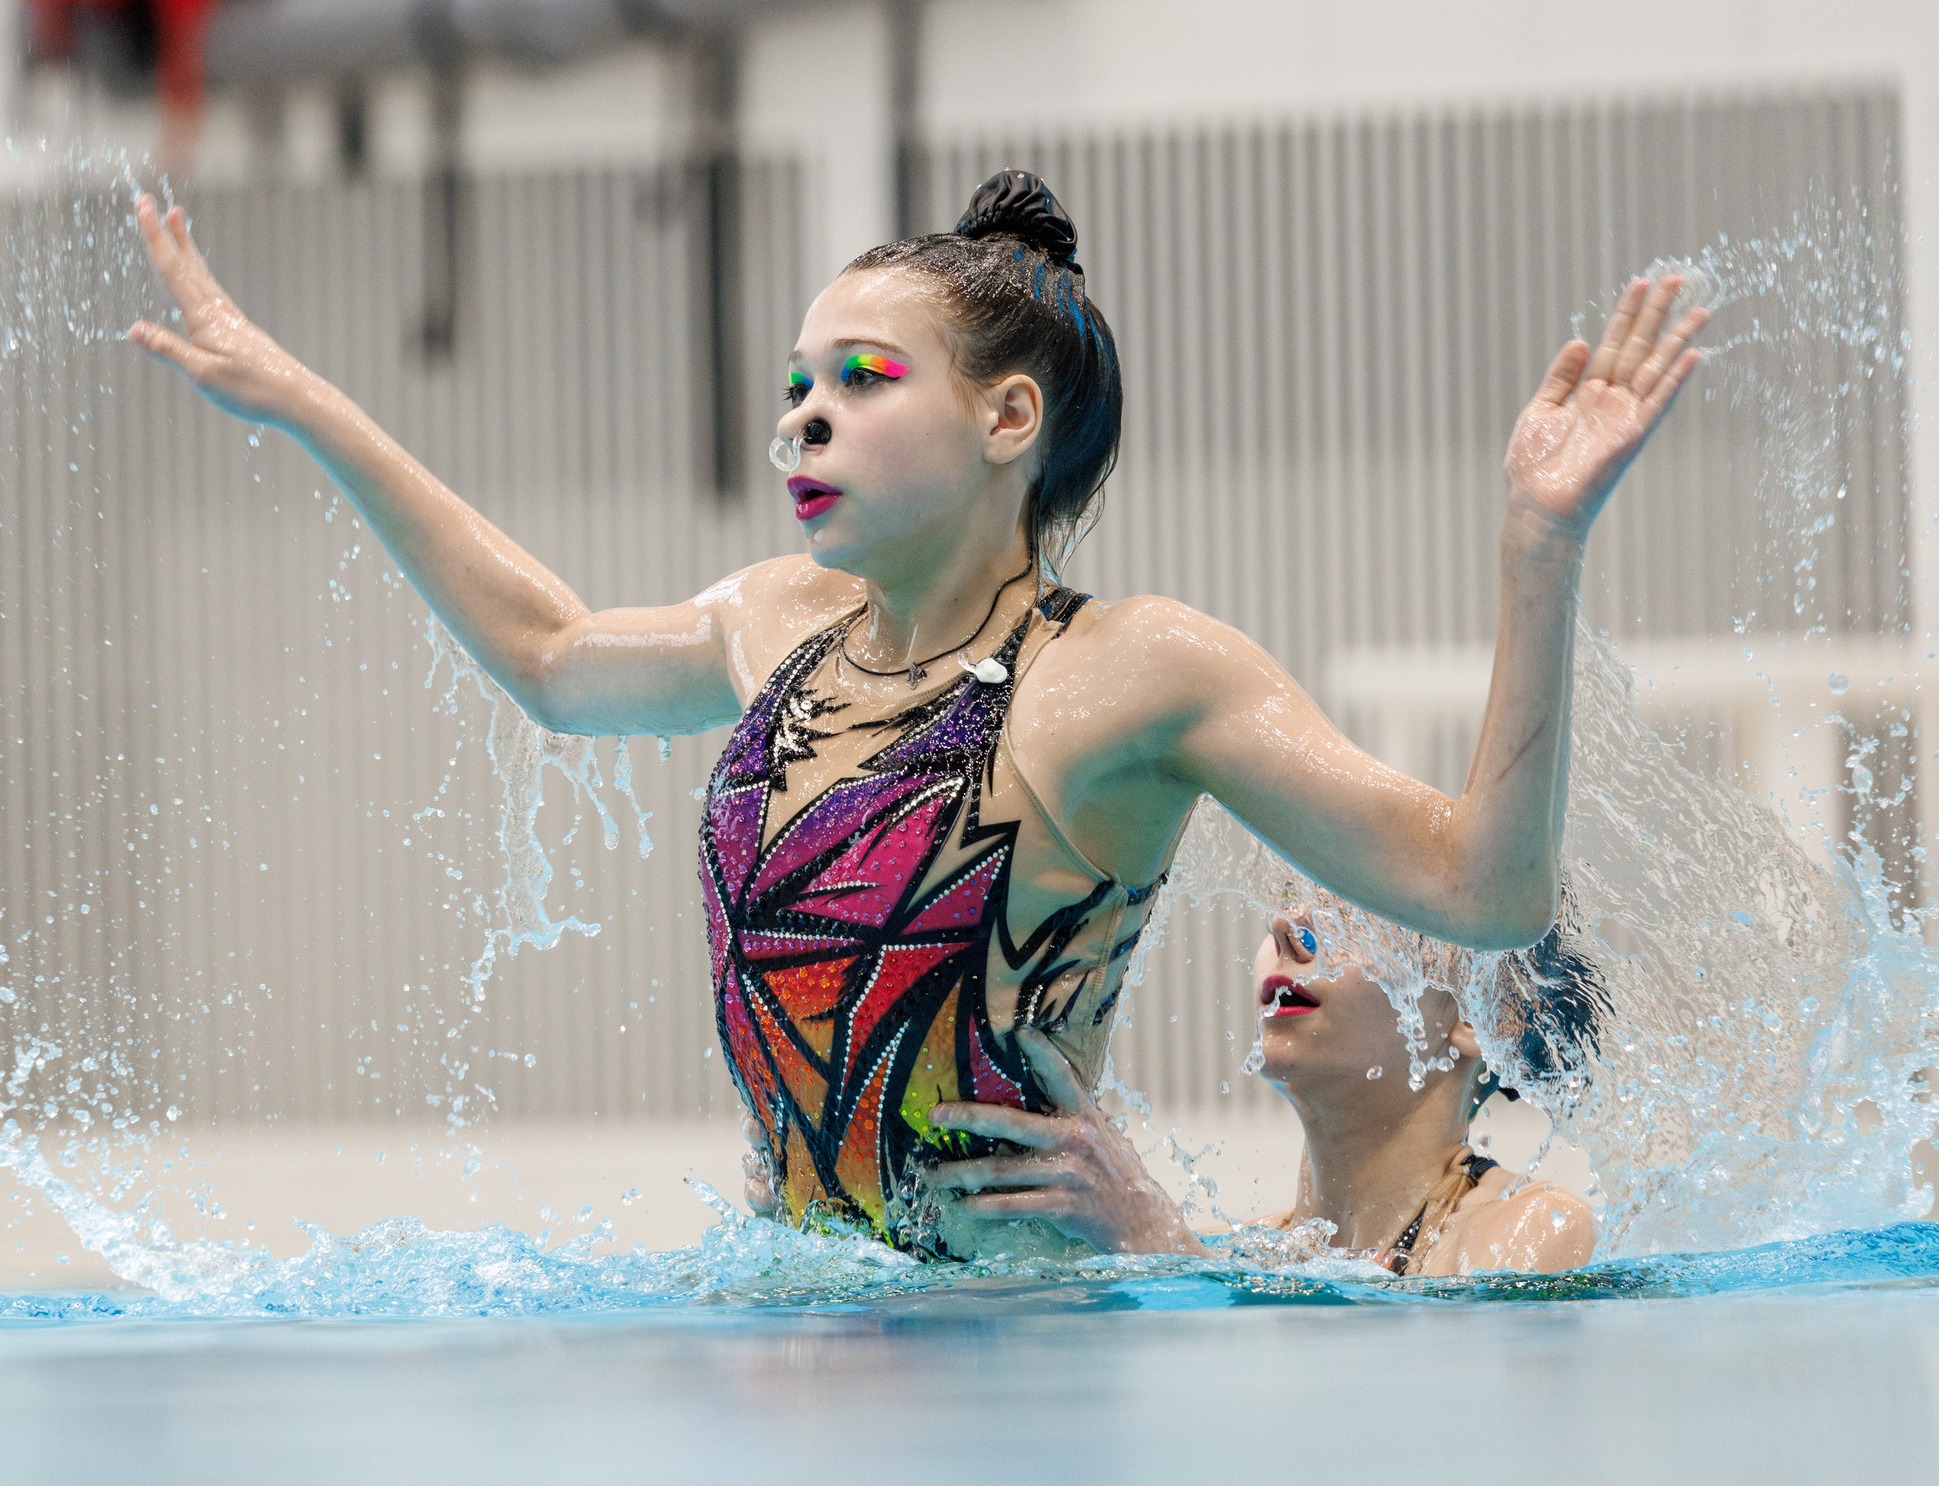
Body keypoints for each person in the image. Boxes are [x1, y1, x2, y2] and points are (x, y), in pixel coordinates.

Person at [124, 169, 1704, 1258]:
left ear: (1009, 418)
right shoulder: (775, 624)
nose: (805, 413)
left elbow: (1482, 895)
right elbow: (546, 653)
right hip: (802, 1290)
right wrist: (301, 401)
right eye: (799, 381)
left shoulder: (1135, 670)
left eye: (865, 375)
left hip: (1019, 1329)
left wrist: (1538, 546)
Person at [912, 895, 1606, 1274]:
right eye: (1291, 899)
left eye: (1358, 906)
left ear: (1480, 1019)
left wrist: (1155, 1244)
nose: (1288, 925)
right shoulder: (1241, 1252)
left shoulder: (1531, 1228)